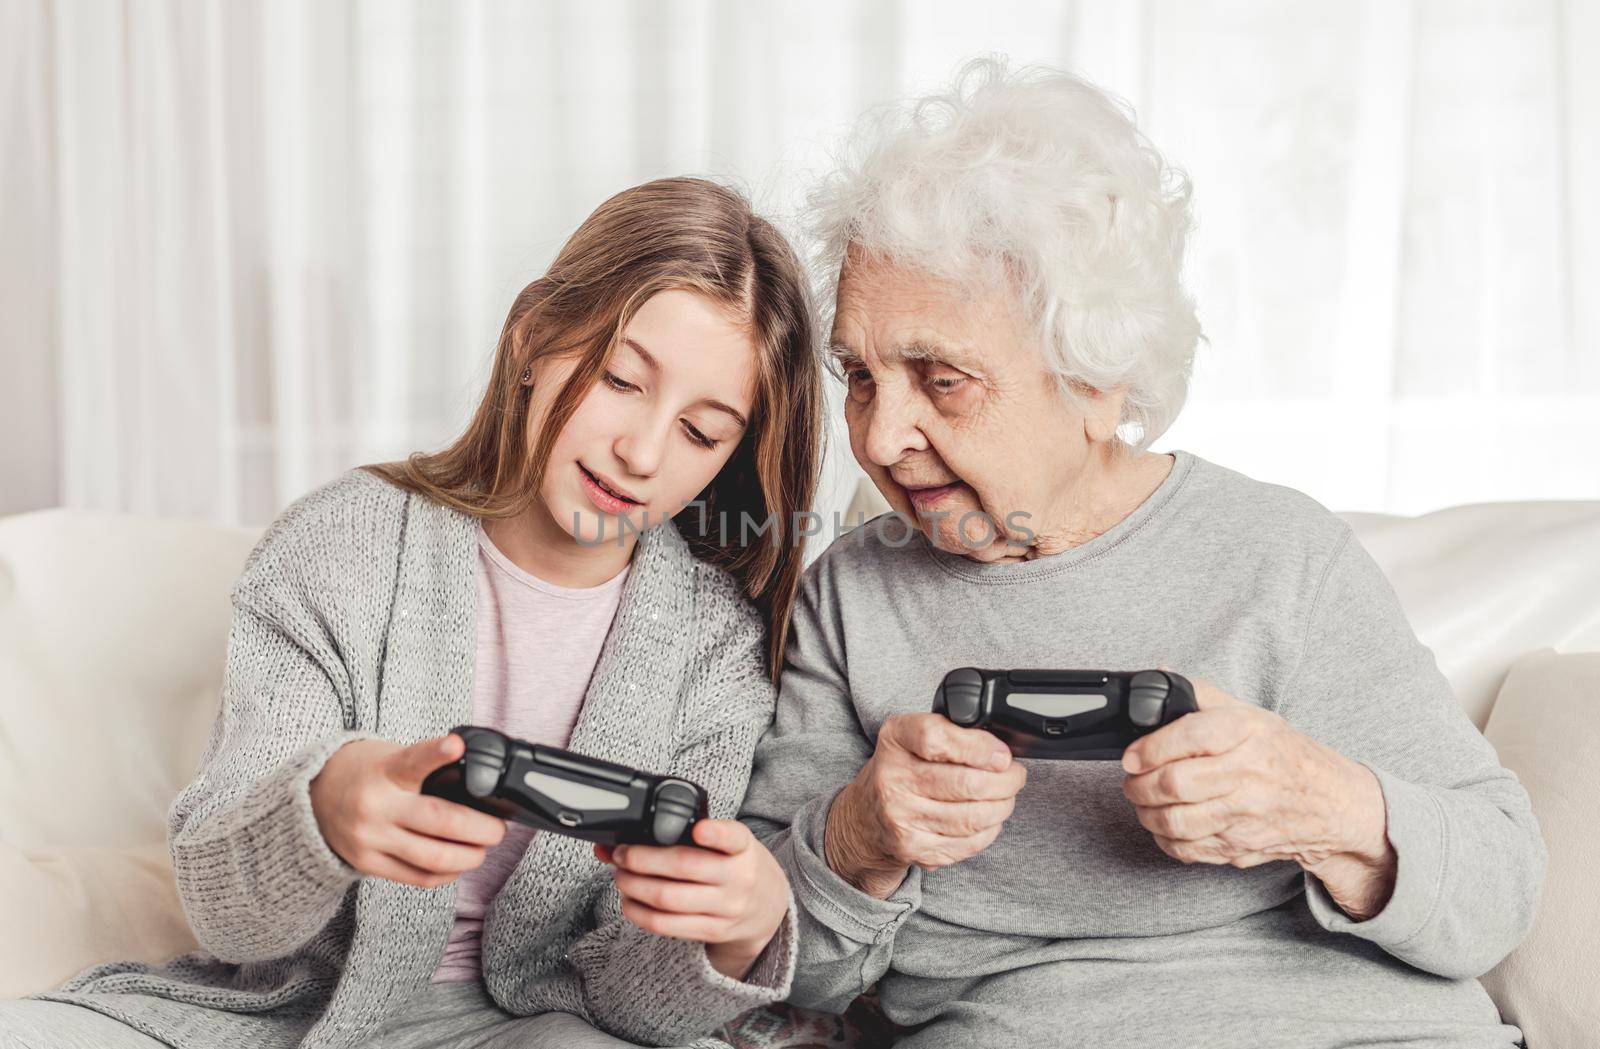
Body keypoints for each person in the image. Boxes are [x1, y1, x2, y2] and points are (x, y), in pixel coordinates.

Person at [740, 59, 1543, 1049]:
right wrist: (859, 834)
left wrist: (1320, 804)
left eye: (939, 378)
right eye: (858, 375)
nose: (878, 434)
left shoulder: (1280, 555)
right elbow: (781, 970)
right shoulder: (852, 600)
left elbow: (1499, 889)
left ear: (1096, 380)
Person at [2, 177, 824, 1049]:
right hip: (288, 1018)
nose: (643, 450)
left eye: (701, 432)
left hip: (542, 1031)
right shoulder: (337, 540)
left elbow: (635, 1007)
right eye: (622, 378)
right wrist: (323, 807)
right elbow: (226, 917)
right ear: (533, 337)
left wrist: (738, 932)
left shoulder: (714, 648)